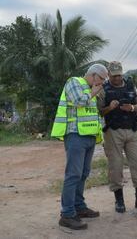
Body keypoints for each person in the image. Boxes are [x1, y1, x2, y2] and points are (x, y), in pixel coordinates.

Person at [51, 64, 108, 230]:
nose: (102, 83)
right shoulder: (74, 82)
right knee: (73, 175)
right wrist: (93, 92)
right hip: (75, 135)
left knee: (83, 173)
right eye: (102, 79)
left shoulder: (92, 89)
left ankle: (79, 207)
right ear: (94, 75)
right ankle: (67, 215)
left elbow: (93, 111)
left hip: (88, 136)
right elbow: (79, 102)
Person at [97, 61, 137, 213]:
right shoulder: (104, 89)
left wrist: (132, 107)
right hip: (113, 132)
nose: (117, 78)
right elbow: (99, 111)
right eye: (114, 75)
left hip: (132, 130)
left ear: (122, 73)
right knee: (115, 166)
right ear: (109, 74)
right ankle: (119, 201)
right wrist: (110, 107)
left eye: (119, 75)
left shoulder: (130, 86)